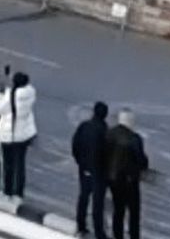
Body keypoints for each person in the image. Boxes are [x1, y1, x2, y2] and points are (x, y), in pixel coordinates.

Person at [0, 71, 38, 201]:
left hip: (9, 134)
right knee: (20, 165)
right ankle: (18, 193)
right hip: (24, 135)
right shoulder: (30, 93)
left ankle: (7, 192)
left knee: (8, 165)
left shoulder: (11, 96)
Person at [106, 109, 150, 239]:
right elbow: (141, 160)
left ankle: (117, 235)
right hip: (130, 180)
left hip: (113, 178)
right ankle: (134, 236)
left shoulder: (109, 134)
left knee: (118, 210)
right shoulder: (134, 139)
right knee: (134, 212)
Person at [73, 101, 111, 239]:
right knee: (97, 203)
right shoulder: (104, 131)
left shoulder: (84, 126)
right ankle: (99, 232)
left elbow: (75, 145)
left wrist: (80, 162)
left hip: (84, 168)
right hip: (99, 172)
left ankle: (81, 226)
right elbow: (107, 153)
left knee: (83, 197)